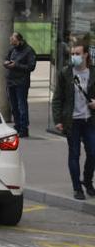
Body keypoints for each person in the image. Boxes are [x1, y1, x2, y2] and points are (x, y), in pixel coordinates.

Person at [51, 44, 95, 199]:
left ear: (85, 55)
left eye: (77, 53)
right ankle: (77, 188)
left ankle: (88, 181)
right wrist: (58, 120)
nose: (74, 56)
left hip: (89, 120)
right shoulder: (66, 73)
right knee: (74, 154)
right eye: (72, 53)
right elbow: (57, 98)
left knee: (93, 153)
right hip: (72, 121)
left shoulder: (93, 72)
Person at [4, 32, 36, 138]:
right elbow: (6, 58)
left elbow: (31, 66)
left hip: (21, 82)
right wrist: (6, 63)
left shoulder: (29, 51)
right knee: (13, 106)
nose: (11, 41)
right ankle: (17, 126)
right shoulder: (12, 49)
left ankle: (24, 128)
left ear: (19, 40)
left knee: (22, 105)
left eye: (12, 39)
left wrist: (16, 65)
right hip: (11, 81)